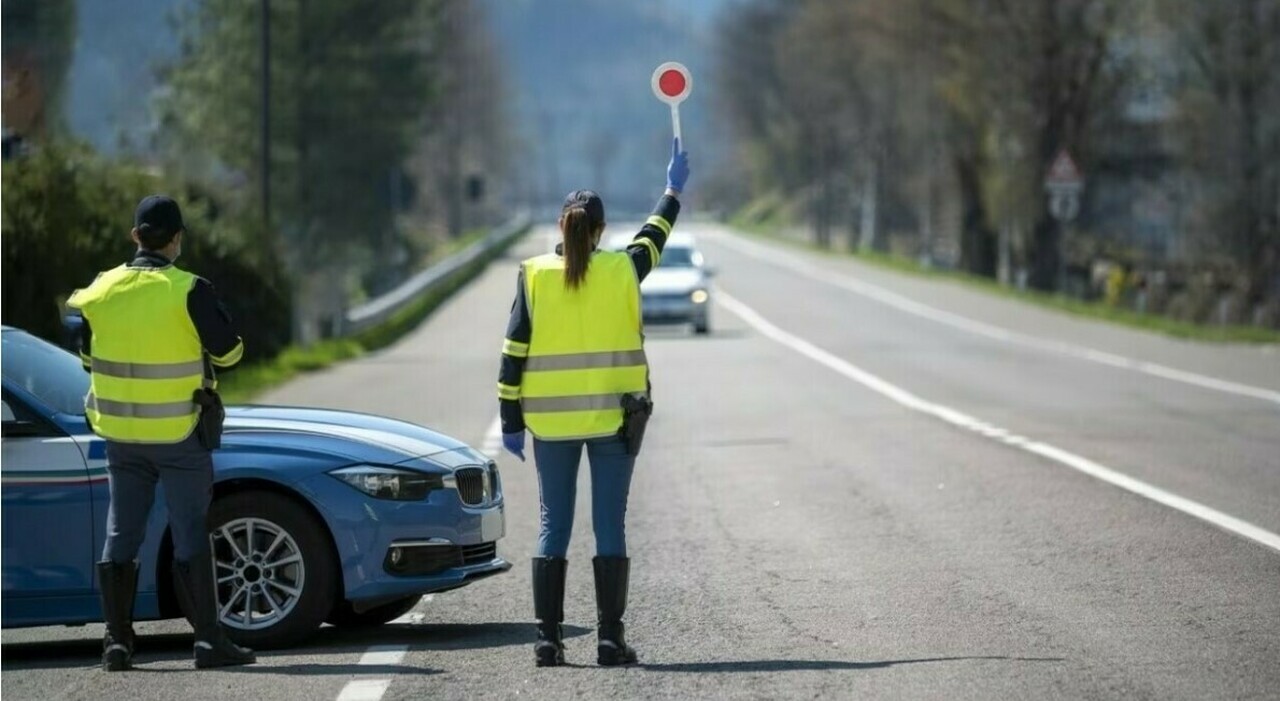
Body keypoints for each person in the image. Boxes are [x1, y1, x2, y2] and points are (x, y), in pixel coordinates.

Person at [497, 139, 690, 667]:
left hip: (550, 426)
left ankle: (547, 641)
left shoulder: (534, 275)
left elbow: (513, 353)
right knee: (610, 525)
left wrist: (510, 419)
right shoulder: (623, 269)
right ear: (600, 231)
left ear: (562, 227)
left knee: (551, 526)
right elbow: (655, 236)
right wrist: (671, 191)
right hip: (612, 421)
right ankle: (609, 639)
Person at [65, 195, 256, 671]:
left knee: (121, 533)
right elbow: (230, 354)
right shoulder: (189, 289)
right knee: (190, 531)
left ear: (135, 237)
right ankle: (209, 641)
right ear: (177, 239)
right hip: (178, 434)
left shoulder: (101, 289)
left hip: (121, 436)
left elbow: (88, 359)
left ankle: (116, 644)